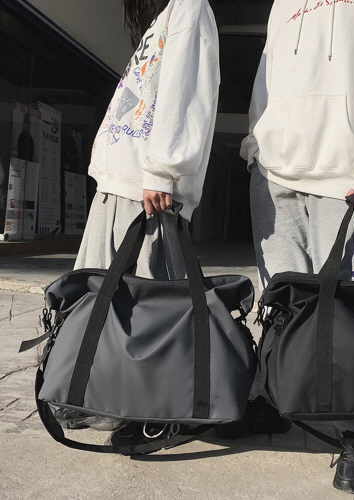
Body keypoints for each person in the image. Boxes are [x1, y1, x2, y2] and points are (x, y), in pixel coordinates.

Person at [239, 0, 354, 495]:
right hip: (275, 173)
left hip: (346, 177)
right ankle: (279, 401)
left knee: (351, 311)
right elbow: (268, 74)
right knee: (282, 306)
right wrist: (256, 145)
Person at [60, 0, 220, 445]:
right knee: (99, 299)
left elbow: (186, 88)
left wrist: (164, 170)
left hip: (147, 186)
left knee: (146, 308)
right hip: (120, 180)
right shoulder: (161, 17)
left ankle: (145, 406)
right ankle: (99, 393)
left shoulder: (190, 7)